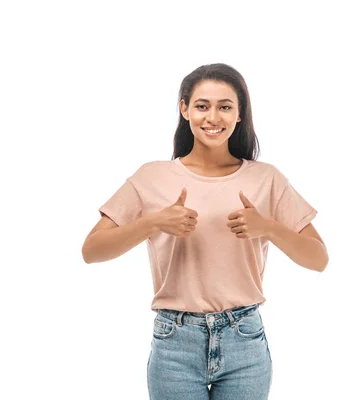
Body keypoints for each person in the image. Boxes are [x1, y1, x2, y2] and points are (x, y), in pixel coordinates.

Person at [81, 63, 329, 400]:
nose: (213, 117)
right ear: (184, 109)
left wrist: (267, 227)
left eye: (225, 106)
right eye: (202, 106)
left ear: (240, 114)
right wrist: (153, 223)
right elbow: (92, 250)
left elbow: (318, 258)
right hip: (175, 343)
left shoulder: (266, 179)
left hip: (244, 340)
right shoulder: (152, 176)